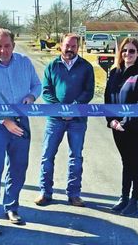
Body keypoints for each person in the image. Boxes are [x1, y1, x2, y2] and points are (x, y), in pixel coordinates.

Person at [0, 28, 41, 235]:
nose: (3, 50)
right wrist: (5, 121)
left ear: (14, 44)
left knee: (19, 166)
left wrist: (31, 96)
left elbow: (37, 85)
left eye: (7, 45)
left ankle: (11, 208)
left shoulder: (24, 62)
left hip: (21, 122)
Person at [34, 33, 95, 207]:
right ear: (60, 45)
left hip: (78, 120)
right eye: (67, 45)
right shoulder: (52, 66)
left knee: (75, 157)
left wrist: (73, 109)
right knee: (47, 156)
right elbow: (46, 91)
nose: (70, 49)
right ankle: (45, 193)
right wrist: (60, 110)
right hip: (55, 119)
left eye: (74, 46)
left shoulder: (86, 67)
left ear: (78, 47)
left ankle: (74, 194)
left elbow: (88, 91)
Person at [104, 37, 138, 216]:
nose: (127, 54)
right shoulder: (114, 73)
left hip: (135, 127)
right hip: (117, 127)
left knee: (135, 161)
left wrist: (125, 122)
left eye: (132, 51)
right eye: (125, 50)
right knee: (126, 162)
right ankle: (124, 197)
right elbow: (107, 99)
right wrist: (112, 121)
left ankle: (134, 199)